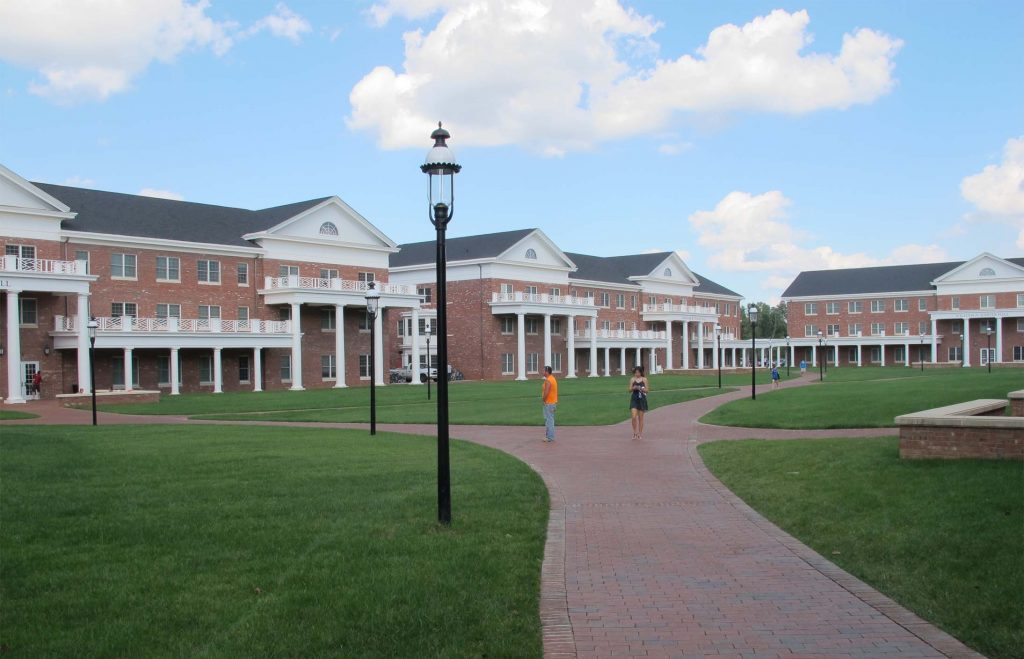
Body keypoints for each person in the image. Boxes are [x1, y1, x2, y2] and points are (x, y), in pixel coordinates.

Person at [628, 365, 649, 439]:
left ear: (641, 372)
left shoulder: (644, 379)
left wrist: (641, 388)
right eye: (635, 372)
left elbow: (647, 390)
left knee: (640, 418)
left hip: (642, 399)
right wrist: (634, 388)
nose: (637, 374)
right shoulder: (632, 379)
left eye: (638, 372)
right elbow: (629, 390)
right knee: (633, 417)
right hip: (634, 399)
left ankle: (640, 434)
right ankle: (634, 432)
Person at [541, 366, 558, 442]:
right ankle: (549, 436)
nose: (542, 372)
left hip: (549, 403)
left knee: (549, 420)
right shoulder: (552, 378)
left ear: (547, 372)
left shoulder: (548, 380)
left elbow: (546, 392)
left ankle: (550, 437)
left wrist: (543, 399)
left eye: (543, 370)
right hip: (552, 403)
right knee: (550, 419)